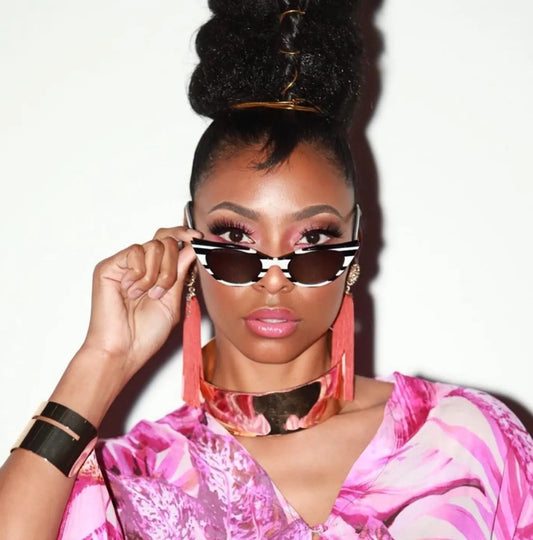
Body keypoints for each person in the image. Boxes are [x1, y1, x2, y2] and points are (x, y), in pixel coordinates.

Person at [1, 1, 532, 538]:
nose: (273, 278)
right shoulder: (131, 484)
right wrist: (104, 358)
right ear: (190, 236)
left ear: (354, 242)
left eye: (313, 240)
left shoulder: (467, 444)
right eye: (236, 238)